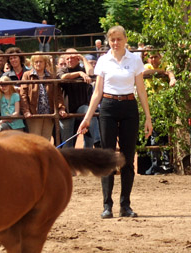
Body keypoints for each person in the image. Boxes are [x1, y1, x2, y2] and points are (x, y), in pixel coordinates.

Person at [78, 25, 152, 219]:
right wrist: (86, 119)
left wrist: (148, 117)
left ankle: (125, 205)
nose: (116, 43)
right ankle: (107, 205)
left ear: (125, 39)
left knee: (127, 158)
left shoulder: (135, 60)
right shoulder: (103, 61)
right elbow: (97, 93)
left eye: (119, 39)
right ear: (108, 41)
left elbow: (141, 90)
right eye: (112, 39)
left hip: (129, 107)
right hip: (108, 107)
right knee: (108, 157)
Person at [140, 49, 175, 175]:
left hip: (164, 104)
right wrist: (163, 72)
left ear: (160, 57)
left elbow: (171, 72)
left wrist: (171, 77)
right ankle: (156, 165)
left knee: (166, 135)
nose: (154, 60)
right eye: (151, 57)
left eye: (156, 57)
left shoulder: (166, 64)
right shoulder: (147, 65)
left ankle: (166, 164)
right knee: (154, 136)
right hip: (152, 105)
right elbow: (145, 72)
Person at [58, 48, 100, 148]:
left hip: (81, 106)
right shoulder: (63, 69)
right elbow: (63, 77)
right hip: (67, 110)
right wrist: (80, 74)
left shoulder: (83, 68)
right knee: (68, 144)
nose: (69, 60)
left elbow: (91, 72)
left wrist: (82, 57)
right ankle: (67, 162)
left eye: (72, 58)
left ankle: (88, 149)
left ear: (77, 59)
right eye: (67, 58)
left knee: (90, 114)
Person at [20, 53, 66, 141]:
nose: (38, 64)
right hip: (34, 113)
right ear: (32, 63)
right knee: (35, 139)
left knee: (46, 139)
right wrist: (26, 111)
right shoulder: (27, 75)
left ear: (45, 63)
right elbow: (23, 94)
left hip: (49, 113)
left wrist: (61, 108)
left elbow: (58, 94)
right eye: (36, 62)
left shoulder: (51, 76)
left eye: (41, 62)